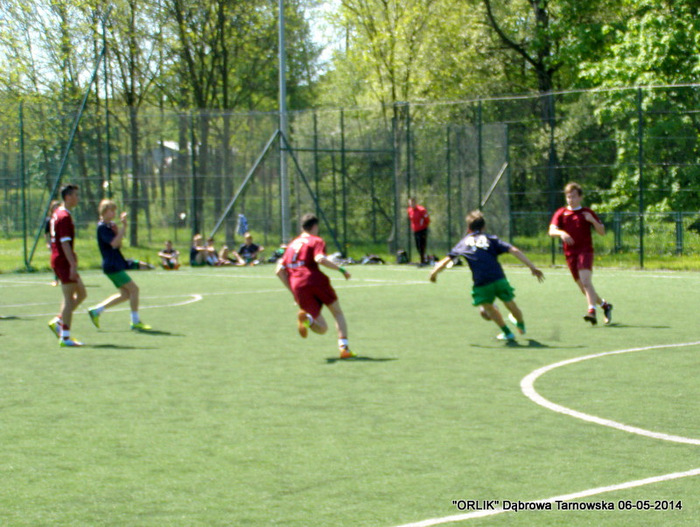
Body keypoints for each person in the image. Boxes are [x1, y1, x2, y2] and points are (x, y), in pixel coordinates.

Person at [430, 210, 544, 341]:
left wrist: (434, 273)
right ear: (484, 227)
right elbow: (514, 250)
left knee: (487, 309)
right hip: (499, 278)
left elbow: (446, 261)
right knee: (510, 303)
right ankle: (521, 325)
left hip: (482, 283)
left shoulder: (463, 243)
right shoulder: (491, 239)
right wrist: (532, 267)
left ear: (468, 228)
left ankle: (507, 333)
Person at [276, 213, 355, 359]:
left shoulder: (292, 245)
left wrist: (294, 293)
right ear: (315, 226)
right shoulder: (316, 240)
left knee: (322, 328)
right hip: (315, 280)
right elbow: (320, 259)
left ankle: (308, 320)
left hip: (297, 285)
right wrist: (341, 269)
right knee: (337, 313)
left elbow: (279, 271)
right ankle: (344, 349)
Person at [548, 182, 613, 325]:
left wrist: (592, 221)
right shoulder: (561, 213)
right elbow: (551, 231)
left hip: (585, 251)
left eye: (573, 196)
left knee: (586, 282)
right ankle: (605, 306)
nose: (570, 199)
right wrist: (561, 233)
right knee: (584, 288)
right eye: (568, 197)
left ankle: (591, 311)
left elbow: (602, 232)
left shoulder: (587, 212)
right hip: (570, 254)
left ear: (580, 197)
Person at [86, 200, 151, 331]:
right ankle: (135, 321)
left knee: (126, 294)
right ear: (104, 211)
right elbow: (114, 244)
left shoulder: (109, 226)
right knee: (134, 290)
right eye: (112, 210)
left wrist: (117, 232)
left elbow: (118, 245)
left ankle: (96, 311)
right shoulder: (102, 227)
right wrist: (124, 227)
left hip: (114, 264)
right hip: (112, 265)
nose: (114, 213)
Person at [47, 185, 87, 347]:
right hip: (63, 261)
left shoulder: (59, 213)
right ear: (68, 197)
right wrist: (72, 265)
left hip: (62, 260)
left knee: (82, 293)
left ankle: (58, 321)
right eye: (76, 195)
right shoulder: (63, 216)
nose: (78, 198)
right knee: (69, 299)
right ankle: (65, 337)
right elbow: (64, 244)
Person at [407, 197, 430, 265]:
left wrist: (423, 226)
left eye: (412, 203)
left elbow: (427, 219)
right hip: (415, 230)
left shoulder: (421, 210)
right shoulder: (409, 210)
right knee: (417, 246)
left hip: (422, 230)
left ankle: (423, 260)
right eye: (410, 203)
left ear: (415, 203)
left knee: (422, 245)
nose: (411, 204)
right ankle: (422, 259)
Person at [45, 200, 61, 286]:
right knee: (55, 261)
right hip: (53, 243)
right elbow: (46, 233)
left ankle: (64, 277)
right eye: (55, 207)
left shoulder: (62, 218)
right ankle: (55, 279)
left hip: (61, 242)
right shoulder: (49, 220)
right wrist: (48, 243)